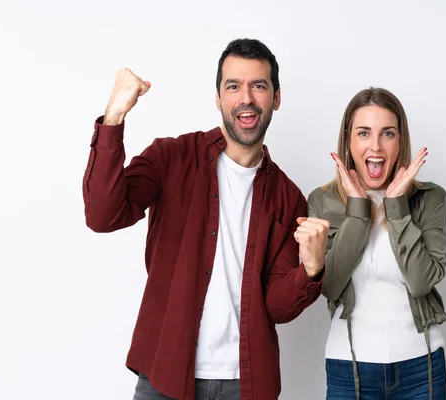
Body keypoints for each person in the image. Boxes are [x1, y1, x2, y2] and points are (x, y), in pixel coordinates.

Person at [82, 38, 330, 400]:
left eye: (258, 86)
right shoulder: (171, 158)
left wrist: (310, 270)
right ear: (218, 98)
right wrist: (114, 116)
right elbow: (103, 215)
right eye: (233, 86)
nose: (246, 97)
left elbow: (276, 306)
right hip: (165, 376)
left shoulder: (287, 197)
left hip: (246, 385)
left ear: (276, 98)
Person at [307, 88, 446, 400]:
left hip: (421, 368)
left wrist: (396, 205)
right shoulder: (323, 201)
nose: (376, 145)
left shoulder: (430, 199)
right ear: (348, 140)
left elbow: (421, 282)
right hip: (349, 369)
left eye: (388, 133)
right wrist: (358, 211)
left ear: (400, 141)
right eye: (363, 133)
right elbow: (329, 286)